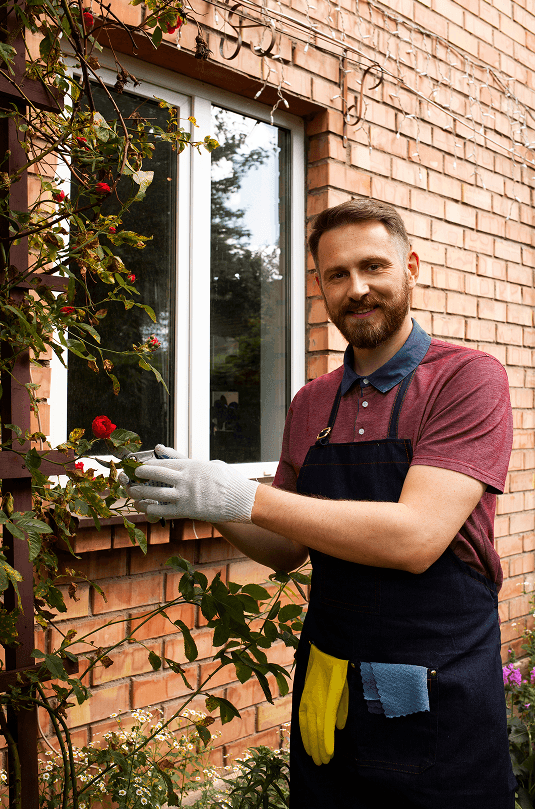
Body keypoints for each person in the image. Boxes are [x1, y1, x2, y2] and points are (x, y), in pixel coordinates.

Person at [124, 198, 516, 808]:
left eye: (373, 267)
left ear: (411, 267)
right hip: (331, 685)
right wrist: (205, 501)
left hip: (439, 692)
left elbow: (414, 538)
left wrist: (240, 496)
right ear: (320, 287)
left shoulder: (466, 379)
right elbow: (286, 549)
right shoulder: (314, 402)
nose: (357, 289)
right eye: (337, 275)